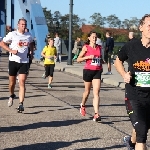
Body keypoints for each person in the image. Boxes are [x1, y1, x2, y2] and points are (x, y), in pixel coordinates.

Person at [114, 14, 150, 150]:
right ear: (141, 27)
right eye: (149, 25)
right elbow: (118, 60)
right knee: (142, 133)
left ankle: (130, 142)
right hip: (134, 95)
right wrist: (124, 74)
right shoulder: (131, 46)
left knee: (142, 127)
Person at [0, 18, 33, 113]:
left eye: (25, 24)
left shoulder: (28, 35)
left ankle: (21, 104)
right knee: (12, 83)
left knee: (22, 82)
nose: (24, 26)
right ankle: (11, 94)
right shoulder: (12, 34)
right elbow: (2, 43)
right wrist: (11, 51)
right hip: (13, 61)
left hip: (24, 61)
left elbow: (31, 43)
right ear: (18, 25)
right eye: (22, 24)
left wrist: (31, 52)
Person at [77, 31, 103, 122]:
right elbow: (78, 59)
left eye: (95, 37)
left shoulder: (99, 47)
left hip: (97, 71)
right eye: (92, 37)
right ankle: (83, 105)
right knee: (87, 92)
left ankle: (96, 114)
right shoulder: (86, 47)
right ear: (89, 38)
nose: (94, 38)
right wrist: (87, 57)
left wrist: (101, 62)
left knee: (96, 92)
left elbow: (100, 58)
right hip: (88, 71)